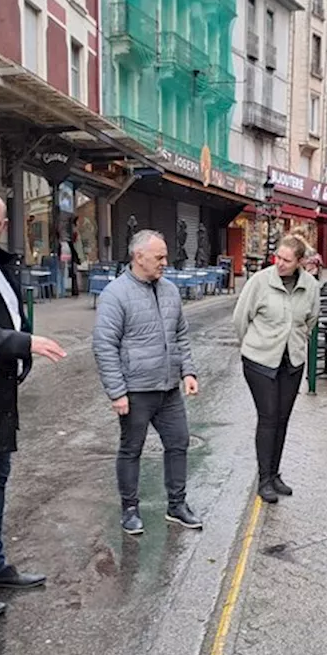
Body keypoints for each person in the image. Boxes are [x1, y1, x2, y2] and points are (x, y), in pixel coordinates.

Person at [0, 190, 67, 618]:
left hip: (1, 396)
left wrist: (20, 354)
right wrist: (25, 343)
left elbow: (12, 315)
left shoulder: (2, 263)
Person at [91, 229, 203, 535]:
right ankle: (130, 510)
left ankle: (177, 505)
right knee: (131, 450)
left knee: (179, 442)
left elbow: (181, 335)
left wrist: (188, 372)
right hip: (136, 391)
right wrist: (117, 392)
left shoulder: (169, 290)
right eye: (159, 257)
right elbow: (104, 345)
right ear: (138, 257)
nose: (165, 262)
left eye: (165, 256)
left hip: (168, 389)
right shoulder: (115, 295)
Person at [232, 235, 320, 504]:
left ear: (299, 262)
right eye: (277, 257)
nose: (279, 263)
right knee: (268, 416)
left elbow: (311, 320)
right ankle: (264, 480)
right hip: (259, 361)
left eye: (286, 260)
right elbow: (240, 319)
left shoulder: (310, 286)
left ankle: (275, 473)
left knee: (282, 418)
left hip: (291, 361)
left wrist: (296, 342)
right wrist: (253, 346)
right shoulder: (260, 281)